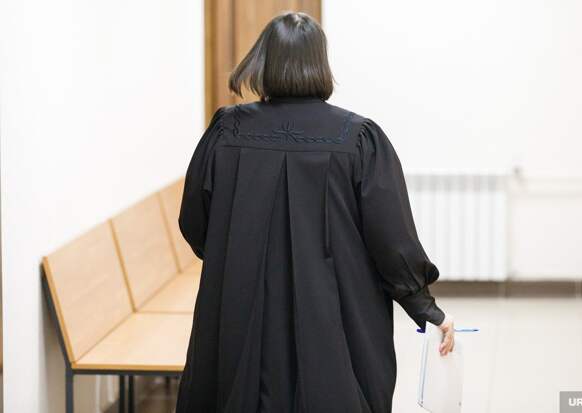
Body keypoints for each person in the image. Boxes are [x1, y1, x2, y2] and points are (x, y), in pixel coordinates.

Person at [175, 11, 454, 413]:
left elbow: (194, 222)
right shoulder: (357, 138)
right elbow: (392, 241)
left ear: (264, 60)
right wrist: (426, 309)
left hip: (240, 312)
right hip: (332, 320)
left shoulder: (226, 131)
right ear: (321, 63)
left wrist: (237, 259)